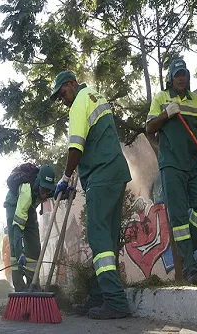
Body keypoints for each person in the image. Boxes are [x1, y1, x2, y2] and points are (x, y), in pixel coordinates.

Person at [50, 70, 132, 319]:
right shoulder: (96, 96)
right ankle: (99, 296)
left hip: (102, 174)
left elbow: (76, 146)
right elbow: (94, 139)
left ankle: (115, 301)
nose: (62, 99)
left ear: (72, 84)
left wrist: (64, 178)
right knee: (106, 238)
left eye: (62, 91)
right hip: (115, 172)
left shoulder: (78, 103)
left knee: (98, 238)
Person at [145, 58, 197, 284]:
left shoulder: (196, 101)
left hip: (194, 162)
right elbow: (149, 127)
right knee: (179, 215)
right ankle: (190, 266)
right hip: (172, 164)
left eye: (183, 74)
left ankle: (188, 247)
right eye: (177, 75)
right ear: (170, 78)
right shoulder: (161, 98)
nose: (181, 78)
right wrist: (167, 114)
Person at [3, 165, 56, 291]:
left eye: (48, 191)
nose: (45, 194)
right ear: (38, 183)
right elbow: (18, 225)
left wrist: (63, 192)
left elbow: (54, 192)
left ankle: (32, 284)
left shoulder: (46, 189)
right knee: (16, 252)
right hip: (14, 206)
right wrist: (20, 251)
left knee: (34, 247)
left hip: (30, 207)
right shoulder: (26, 192)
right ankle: (20, 287)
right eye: (43, 190)